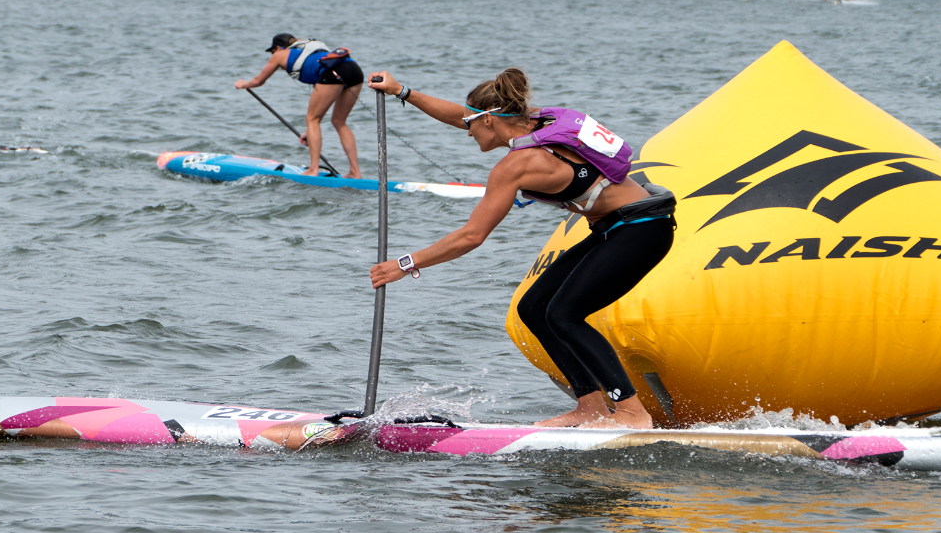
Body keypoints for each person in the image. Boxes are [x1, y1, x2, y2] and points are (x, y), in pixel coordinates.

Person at [366, 68, 677, 429]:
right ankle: (590, 407)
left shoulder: (516, 165)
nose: (465, 131)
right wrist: (403, 91)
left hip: (641, 230)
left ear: (489, 121)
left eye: (470, 124)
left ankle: (632, 412)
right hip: (617, 227)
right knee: (534, 307)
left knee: (564, 314)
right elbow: (461, 115)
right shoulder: (535, 123)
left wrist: (405, 264)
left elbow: (472, 236)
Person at [234, 34, 363, 179]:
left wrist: (243, 84)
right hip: (354, 69)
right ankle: (355, 172)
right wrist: (309, 131)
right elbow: (321, 93)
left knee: (312, 119)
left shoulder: (280, 54)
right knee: (339, 121)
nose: (272, 55)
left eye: (272, 52)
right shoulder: (310, 52)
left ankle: (313, 169)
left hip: (334, 72)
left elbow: (258, 81)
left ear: (277, 48)